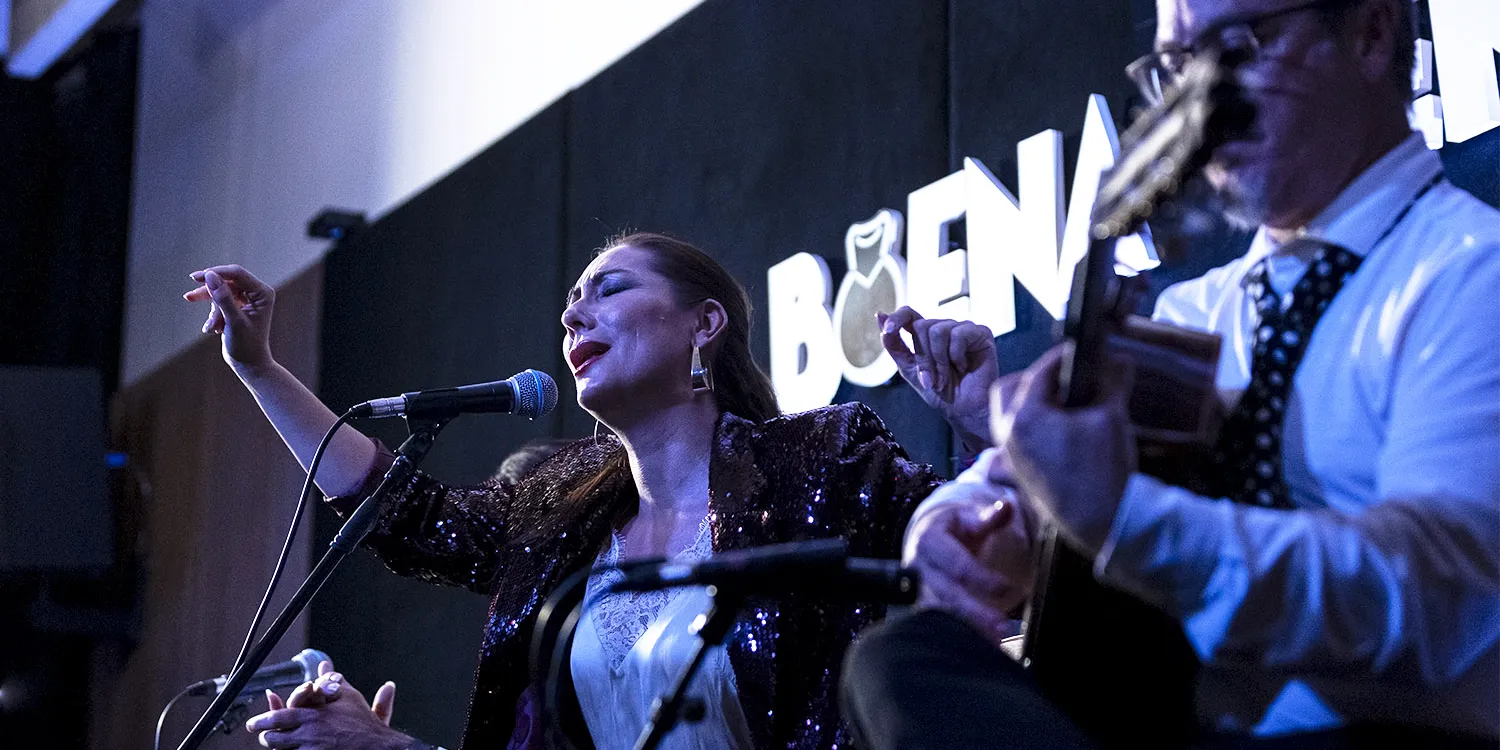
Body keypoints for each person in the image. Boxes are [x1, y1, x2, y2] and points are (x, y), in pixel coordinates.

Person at [843, 0, 1500, 747]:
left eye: (1239, 46)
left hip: (1387, 736)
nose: (1201, 97)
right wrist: (957, 526)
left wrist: (1126, 520)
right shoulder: (1192, 316)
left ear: (1371, 34)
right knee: (897, 661)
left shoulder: (1473, 271)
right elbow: (1016, 490)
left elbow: (1436, 596)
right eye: (1178, 66)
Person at [184, 232, 1004, 749]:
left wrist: (983, 427)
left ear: (704, 324)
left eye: (609, 290)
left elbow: (991, 566)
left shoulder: (819, 458)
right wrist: (259, 369)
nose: (574, 317)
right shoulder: (554, 513)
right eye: (570, 304)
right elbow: (402, 512)